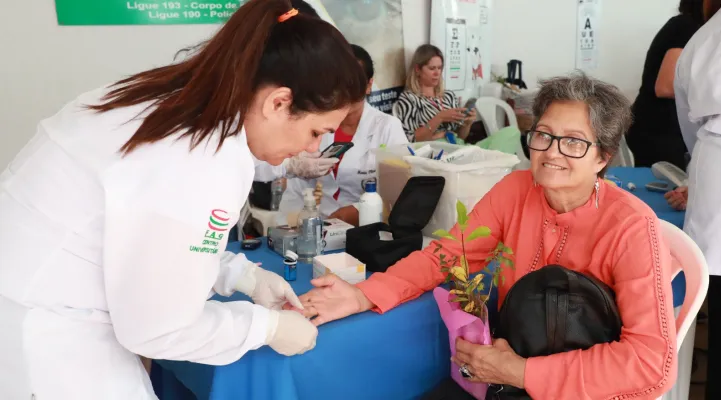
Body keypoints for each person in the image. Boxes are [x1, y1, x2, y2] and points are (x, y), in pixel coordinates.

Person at [0, 1, 368, 399]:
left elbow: (156, 243)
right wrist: (265, 328)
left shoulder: (172, 103)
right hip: (47, 345)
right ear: (278, 102)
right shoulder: (202, 158)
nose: (313, 147)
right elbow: (159, 329)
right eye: (316, 131)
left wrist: (240, 275)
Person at [294, 73, 678, 399]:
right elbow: (445, 256)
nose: (551, 152)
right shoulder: (516, 189)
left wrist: (523, 373)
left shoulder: (630, 226)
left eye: (574, 142)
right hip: (505, 368)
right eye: (543, 134)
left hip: (581, 386)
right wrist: (364, 294)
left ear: (603, 157)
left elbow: (652, 362)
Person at [278, 44, 409, 226]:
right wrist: (286, 227)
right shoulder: (316, 125)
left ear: (369, 85)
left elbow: (400, 191)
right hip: (323, 225)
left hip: (369, 227)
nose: (345, 92)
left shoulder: (387, 127)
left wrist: (358, 210)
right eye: (337, 82)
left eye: (354, 83)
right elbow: (298, 189)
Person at [674, 1, 721, 398]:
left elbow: (686, 115)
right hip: (716, 172)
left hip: (718, 171)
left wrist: (699, 170)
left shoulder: (709, 34)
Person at [626, 0, 705, 170]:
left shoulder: (694, 28)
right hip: (659, 130)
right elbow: (666, 87)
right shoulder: (686, 26)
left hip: (663, 129)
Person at [393, 44, 476, 142]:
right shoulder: (409, 99)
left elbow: (460, 137)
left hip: (455, 148)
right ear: (417, 69)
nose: (437, 73)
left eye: (440, 68)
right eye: (432, 68)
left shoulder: (448, 96)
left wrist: (467, 124)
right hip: (432, 153)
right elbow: (410, 140)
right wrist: (439, 118)